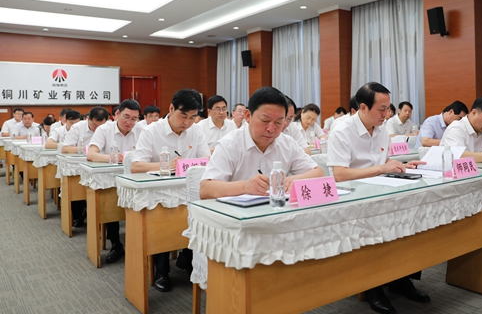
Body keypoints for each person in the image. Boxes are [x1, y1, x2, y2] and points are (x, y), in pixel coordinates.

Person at [327, 82, 428, 314]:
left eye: (388, 109)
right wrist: (382, 169)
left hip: (380, 189)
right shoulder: (342, 130)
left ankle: (401, 278)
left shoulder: (381, 129)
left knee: (411, 217)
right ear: (363, 107)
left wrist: (402, 165)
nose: (386, 114)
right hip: (353, 198)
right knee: (374, 227)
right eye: (381, 109)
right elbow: (340, 175)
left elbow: (382, 163)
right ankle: (373, 286)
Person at [131, 89, 210, 293]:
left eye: (193, 117)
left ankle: (187, 257)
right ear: (171, 108)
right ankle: (162, 270)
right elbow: (136, 166)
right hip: (159, 192)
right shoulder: (151, 131)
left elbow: (206, 161)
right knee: (162, 223)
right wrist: (166, 165)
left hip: (189, 192)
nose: (187, 122)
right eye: (183, 116)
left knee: (202, 216)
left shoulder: (196, 131)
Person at [200, 86, 323, 199]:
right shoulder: (229, 144)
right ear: (248, 116)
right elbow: (205, 190)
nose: (271, 129)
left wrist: (292, 180)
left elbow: (319, 173)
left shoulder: (288, 144)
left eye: (279, 122)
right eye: (265, 120)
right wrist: (245, 187)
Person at [87, 100, 142, 264]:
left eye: (134, 119)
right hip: (110, 178)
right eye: (126, 117)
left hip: (135, 178)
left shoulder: (142, 130)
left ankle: (140, 243)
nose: (129, 122)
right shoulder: (104, 129)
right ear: (117, 114)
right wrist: (111, 157)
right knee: (109, 205)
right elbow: (91, 154)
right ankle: (116, 244)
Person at [61, 107, 110, 228]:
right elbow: (65, 148)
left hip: (102, 166)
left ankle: (103, 219)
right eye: (94, 125)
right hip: (80, 165)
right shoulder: (77, 127)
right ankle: (78, 215)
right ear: (88, 119)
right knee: (77, 191)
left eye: (101, 126)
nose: (97, 129)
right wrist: (86, 149)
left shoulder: (109, 128)